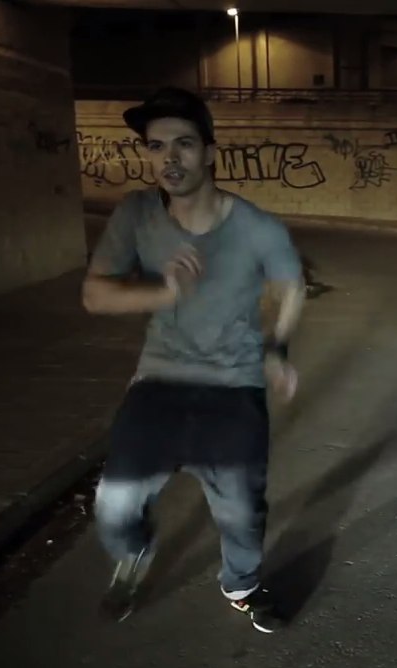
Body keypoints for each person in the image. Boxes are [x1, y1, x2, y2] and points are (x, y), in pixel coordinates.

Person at [82, 87, 306, 634]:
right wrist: (163, 293)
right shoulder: (137, 214)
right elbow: (95, 295)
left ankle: (242, 585)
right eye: (156, 146)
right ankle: (134, 551)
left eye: (183, 143)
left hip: (234, 384)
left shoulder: (256, 226)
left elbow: (291, 285)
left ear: (209, 151)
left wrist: (277, 348)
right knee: (114, 507)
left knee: (241, 511)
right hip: (160, 379)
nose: (169, 158)